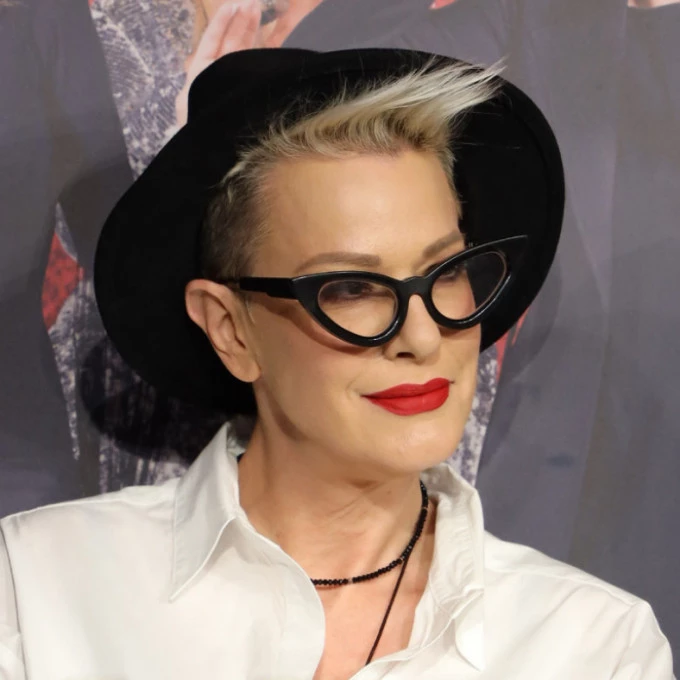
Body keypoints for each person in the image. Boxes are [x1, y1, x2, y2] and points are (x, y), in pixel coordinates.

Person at [0, 46, 673, 678]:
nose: (422, 338)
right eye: (351, 287)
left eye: (447, 272)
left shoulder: (592, 646)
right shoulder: (38, 591)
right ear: (231, 329)